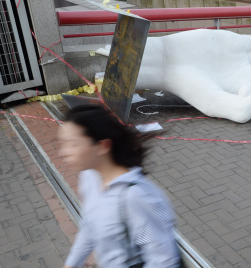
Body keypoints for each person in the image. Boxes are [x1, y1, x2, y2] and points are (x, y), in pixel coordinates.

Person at [59, 105, 183, 268]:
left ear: (103, 146)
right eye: (62, 143)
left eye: (73, 144)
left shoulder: (135, 196)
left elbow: (164, 260)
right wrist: (72, 263)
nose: (63, 152)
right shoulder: (90, 177)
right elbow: (90, 224)